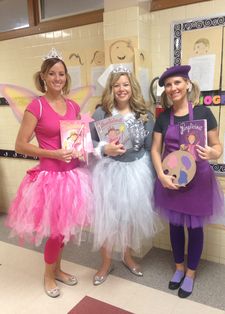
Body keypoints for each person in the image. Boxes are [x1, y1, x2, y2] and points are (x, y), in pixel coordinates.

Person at [6, 48, 93, 298]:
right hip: (50, 178)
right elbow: (20, 144)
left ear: (66, 77)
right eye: (52, 73)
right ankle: (48, 275)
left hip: (72, 176)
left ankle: (58, 269)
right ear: (43, 76)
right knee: (55, 231)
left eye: (62, 74)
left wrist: (82, 148)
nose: (58, 78)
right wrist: (53, 153)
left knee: (64, 229)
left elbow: (75, 138)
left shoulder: (73, 105)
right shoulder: (37, 106)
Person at [151, 65, 224, 298]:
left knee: (195, 228)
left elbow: (217, 146)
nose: (173, 88)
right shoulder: (163, 118)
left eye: (177, 83)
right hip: (171, 178)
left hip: (199, 180)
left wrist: (214, 153)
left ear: (187, 84)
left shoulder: (203, 113)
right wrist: (161, 175)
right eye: (169, 85)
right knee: (174, 225)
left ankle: (190, 273)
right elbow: (155, 149)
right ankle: (179, 268)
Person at [90, 64, 158, 285]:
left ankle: (127, 256)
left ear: (132, 86)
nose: (121, 89)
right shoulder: (101, 112)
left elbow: (149, 147)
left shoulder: (144, 114)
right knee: (107, 218)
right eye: (117, 85)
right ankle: (106, 262)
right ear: (111, 88)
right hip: (109, 173)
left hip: (136, 173)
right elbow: (88, 143)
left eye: (125, 84)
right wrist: (104, 149)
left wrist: (150, 175)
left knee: (128, 219)